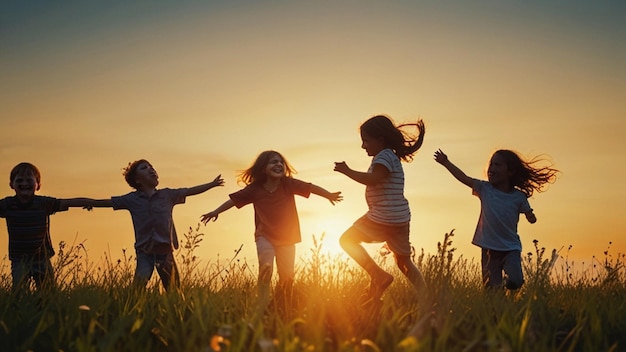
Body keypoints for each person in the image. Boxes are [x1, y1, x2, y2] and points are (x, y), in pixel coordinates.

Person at [200, 150, 342, 306]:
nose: (279, 164)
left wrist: (329, 195)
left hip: (288, 237)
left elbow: (311, 188)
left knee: (287, 276)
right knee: (266, 268)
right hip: (264, 235)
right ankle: (262, 302)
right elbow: (234, 201)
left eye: (281, 162)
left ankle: (283, 304)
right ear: (263, 168)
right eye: (274, 162)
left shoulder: (288, 184)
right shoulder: (255, 189)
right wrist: (215, 212)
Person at [334, 115, 427, 305]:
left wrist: (348, 171)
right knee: (403, 261)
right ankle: (426, 297)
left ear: (381, 139)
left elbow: (374, 178)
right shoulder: (391, 156)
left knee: (347, 240)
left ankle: (379, 276)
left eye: (366, 140)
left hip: (383, 216)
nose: (363, 146)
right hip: (400, 218)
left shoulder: (384, 156)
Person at [90, 159, 224, 291]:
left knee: (174, 292)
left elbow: (190, 191)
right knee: (137, 289)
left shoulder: (167, 195)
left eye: (151, 167)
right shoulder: (131, 199)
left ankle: (178, 312)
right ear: (137, 180)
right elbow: (103, 202)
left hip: (165, 253)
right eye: (144, 168)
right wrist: (80, 203)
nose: (150, 169)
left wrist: (211, 184)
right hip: (145, 253)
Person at [433, 148, 559, 290]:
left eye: (497, 165)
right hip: (489, 248)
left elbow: (529, 214)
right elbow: (464, 178)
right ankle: (499, 304)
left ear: (510, 172)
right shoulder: (485, 189)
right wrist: (446, 162)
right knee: (491, 290)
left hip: (510, 247)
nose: (491, 168)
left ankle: (508, 286)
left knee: (516, 281)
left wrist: (531, 216)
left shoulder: (519, 196)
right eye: (491, 164)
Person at [0, 162, 97, 291]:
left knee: (48, 293)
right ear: (12, 185)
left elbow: (68, 202)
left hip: (42, 259)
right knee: (19, 294)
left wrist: (90, 203)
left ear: (38, 185)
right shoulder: (7, 204)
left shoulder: (43, 203)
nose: (24, 183)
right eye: (20, 180)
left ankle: (49, 310)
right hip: (19, 260)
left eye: (29, 180)